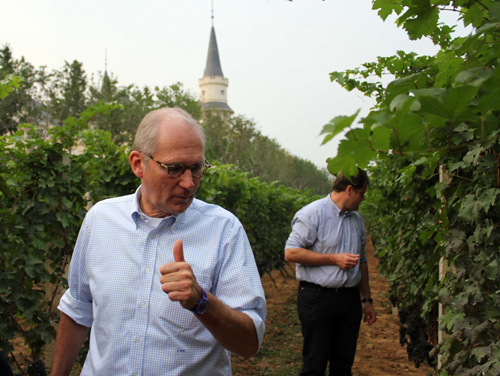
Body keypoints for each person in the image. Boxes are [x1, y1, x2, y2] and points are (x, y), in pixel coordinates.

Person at [50, 107, 266, 376]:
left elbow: (249, 343)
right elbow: (77, 311)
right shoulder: (100, 221)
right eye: (174, 169)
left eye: (196, 168)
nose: (189, 183)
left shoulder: (223, 230)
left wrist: (202, 302)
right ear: (138, 164)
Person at [284, 168, 376, 376]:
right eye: (362, 193)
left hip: (350, 300)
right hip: (317, 299)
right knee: (314, 365)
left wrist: (367, 300)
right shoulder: (312, 214)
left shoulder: (357, 221)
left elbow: (362, 261)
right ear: (350, 190)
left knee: (343, 366)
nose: (363, 198)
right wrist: (333, 259)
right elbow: (291, 253)